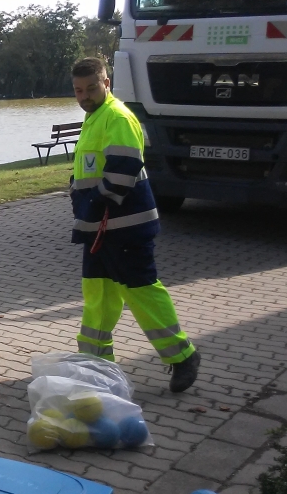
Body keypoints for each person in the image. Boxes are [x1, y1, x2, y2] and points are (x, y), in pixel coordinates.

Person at [69, 57, 200, 392]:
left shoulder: (117, 116)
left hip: (125, 227)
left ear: (106, 83)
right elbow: (90, 171)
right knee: (98, 295)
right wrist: (79, 198)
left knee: (142, 292)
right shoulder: (96, 117)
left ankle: (183, 356)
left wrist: (90, 203)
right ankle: (96, 365)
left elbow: (122, 171)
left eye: (91, 88)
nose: (84, 96)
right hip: (99, 228)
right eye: (78, 90)